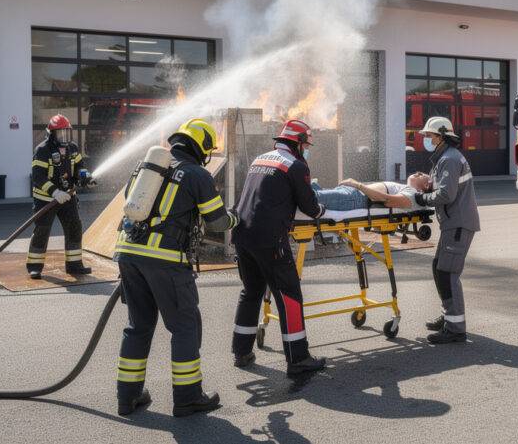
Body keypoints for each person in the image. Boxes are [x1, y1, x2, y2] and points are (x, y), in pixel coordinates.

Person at [113, 118, 239, 417]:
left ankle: (127, 396)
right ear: (202, 149)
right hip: (165, 259)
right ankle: (188, 396)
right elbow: (218, 222)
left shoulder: (146, 168)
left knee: (138, 326)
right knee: (185, 326)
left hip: (128, 252)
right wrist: (237, 216)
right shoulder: (197, 174)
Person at [231, 119, 328, 375]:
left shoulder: (259, 159)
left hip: (242, 236)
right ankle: (298, 359)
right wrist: (321, 211)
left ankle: (241, 352)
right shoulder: (295, 166)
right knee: (289, 296)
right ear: (297, 142)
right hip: (270, 240)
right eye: (305, 144)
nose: (306, 149)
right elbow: (309, 206)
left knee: (251, 292)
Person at [413, 116, 480, 344]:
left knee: (448, 273)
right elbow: (444, 188)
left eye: (429, 136)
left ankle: (455, 329)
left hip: (458, 224)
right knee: (439, 268)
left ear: (441, 136)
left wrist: (421, 198)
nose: (426, 140)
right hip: (453, 223)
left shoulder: (449, 159)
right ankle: (448, 317)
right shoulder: (445, 157)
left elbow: (446, 195)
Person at [27, 114, 93, 279]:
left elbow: (79, 167)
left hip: (68, 198)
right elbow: (38, 177)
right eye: (60, 133)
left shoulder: (73, 148)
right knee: (42, 230)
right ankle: (34, 266)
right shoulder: (42, 150)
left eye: (66, 133)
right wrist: (55, 192)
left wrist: (85, 177)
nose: (64, 137)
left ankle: (74, 265)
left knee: (74, 228)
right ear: (51, 134)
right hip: (46, 200)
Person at [312, 173, 432, 211]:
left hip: (356, 198)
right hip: (352, 193)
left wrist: (358, 185)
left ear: (425, 186)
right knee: (310, 187)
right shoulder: (406, 188)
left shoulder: (413, 195)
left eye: (422, 175)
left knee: (311, 195)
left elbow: (388, 201)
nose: (418, 172)